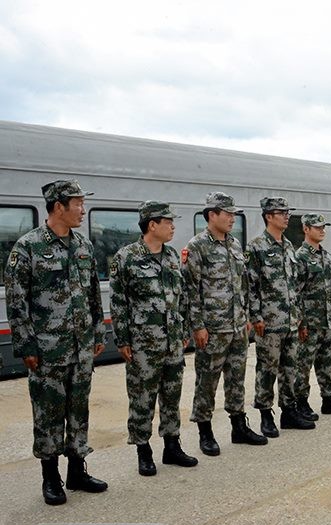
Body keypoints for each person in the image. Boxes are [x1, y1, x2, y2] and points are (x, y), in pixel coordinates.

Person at [5, 180, 108, 505]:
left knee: (79, 410)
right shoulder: (28, 247)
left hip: (81, 348)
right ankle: (51, 479)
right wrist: (26, 346)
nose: (82, 209)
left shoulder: (83, 245)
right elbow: (16, 302)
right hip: (48, 350)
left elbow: (93, 293)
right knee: (48, 414)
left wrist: (98, 332)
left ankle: (77, 471)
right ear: (58, 206)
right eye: (77, 203)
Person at [110, 201, 198, 476]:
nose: (173, 226)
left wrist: (183, 331)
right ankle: (143, 451)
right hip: (143, 345)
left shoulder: (172, 257)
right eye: (168, 222)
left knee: (171, 397)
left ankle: (172, 446)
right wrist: (123, 340)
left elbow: (180, 299)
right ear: (152, 225)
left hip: (172, 343)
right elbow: (118, 303)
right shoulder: (126, 257)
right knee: (142, 399)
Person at [183, 192, 267, 456]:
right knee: (207, 381)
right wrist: (197, 326)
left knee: (236, 379)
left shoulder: (234, 245)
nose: (232, 218)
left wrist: (246, 318)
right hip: (212, 328)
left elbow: (242, 286)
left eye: (233, 213)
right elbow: (190, 290)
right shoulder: (197, 247)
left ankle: (238, 426)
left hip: (237, 325)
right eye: (227, 213)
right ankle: (205, 432)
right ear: (212, 215)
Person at [246, 197, 314, 435]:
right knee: (267, 370)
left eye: (287, 212)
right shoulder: (256, 247)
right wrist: (256, 317)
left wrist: (301, 319)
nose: (286, 216)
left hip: (291, 322)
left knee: (290, 370)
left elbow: (296, 287)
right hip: (270, 323)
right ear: (268, 216)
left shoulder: (288, 246)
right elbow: (251, 286)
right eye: (281, 212)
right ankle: (266, 415)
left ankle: (289, 412)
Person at [295, 214, 331, 415]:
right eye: (317, 227)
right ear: (306, 229)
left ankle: (329, 399)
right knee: (303, 365)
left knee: (326, 363)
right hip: (310, 323)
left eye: (323, 227)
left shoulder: (327, 256)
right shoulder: (300, 257)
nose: (322, 230)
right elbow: (296, 293)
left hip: (328, 322)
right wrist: (300, 323)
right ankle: (300, 402)